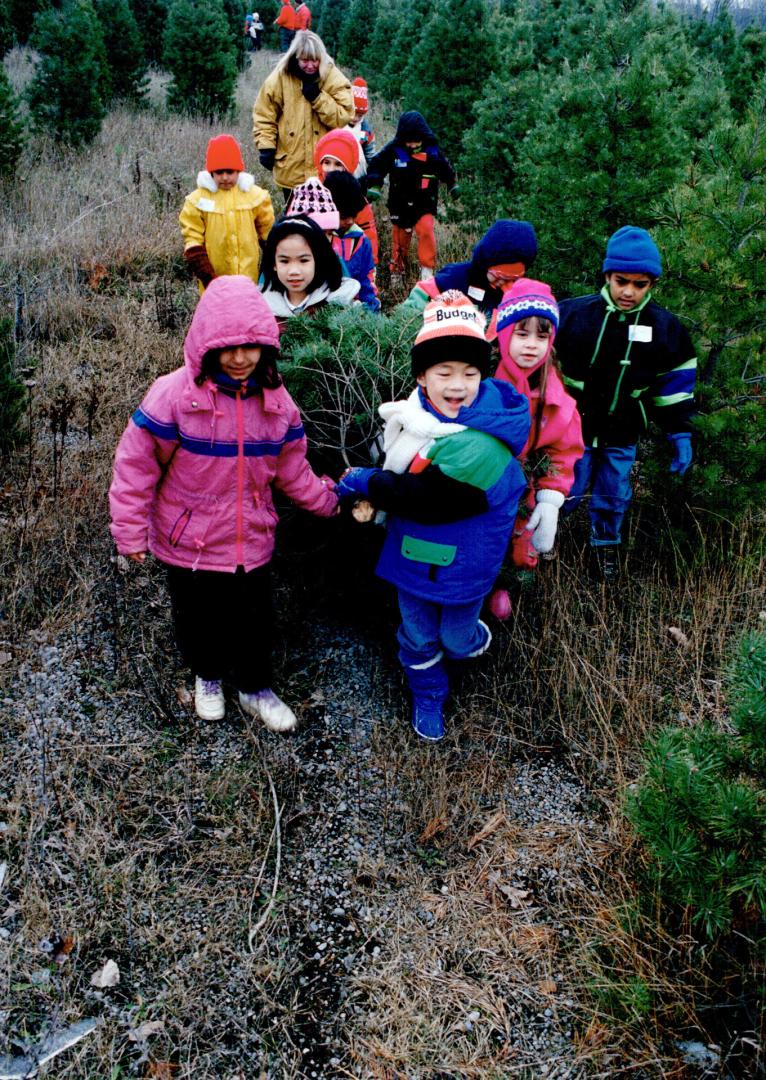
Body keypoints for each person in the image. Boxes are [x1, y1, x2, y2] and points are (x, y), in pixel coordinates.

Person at [108, 276, 338, 729]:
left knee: (256, 619)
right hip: (189, 541)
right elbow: (136, 466)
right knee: (198, 619)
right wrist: (129, 530)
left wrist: (327, 501)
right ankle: (207, 676)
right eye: (227, 347)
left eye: (250, 346)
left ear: (265, 345)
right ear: (204, 345)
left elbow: (292, 468)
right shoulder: (173, 396)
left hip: (250, 540)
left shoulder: (277, 402)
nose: (238, 358)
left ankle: (255, 687)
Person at [336, 291, 530, 741]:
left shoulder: (480, 445)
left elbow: (425, 499)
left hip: (464, 570)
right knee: (418, 635)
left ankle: (474, 640)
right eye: (444, 373)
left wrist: (364, 481)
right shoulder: (413, 418)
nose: (457, 385)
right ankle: (429, 695)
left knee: (456, 639)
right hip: (412, 560)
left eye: (470, 373)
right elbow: (402, 472)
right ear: (422, 376)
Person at [556, 226, 697, 581]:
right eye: (622, 281)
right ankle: (547, 541)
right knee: (566, 490)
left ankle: (605, 546)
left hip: (623, 432)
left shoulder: (665, 329)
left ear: (652, 284)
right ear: (607, 275)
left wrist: (680, 432)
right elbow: (538, 361)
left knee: (613, 493)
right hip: (575, 429)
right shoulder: (573, 315)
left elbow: (676, 384)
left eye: (640, 284)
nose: (629, 291)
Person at [488, 279, 584, 618]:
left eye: (541, 336)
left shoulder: (553, 394)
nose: (531, 345)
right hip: (481, 481)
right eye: (521, 333)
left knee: (519, 541)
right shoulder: (481, 379)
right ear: (503, 333)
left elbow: (564, 451)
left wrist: (550, 499)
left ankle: (506, 585)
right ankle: (478, 585)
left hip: (524, 486)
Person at [252, 31, 353, 198]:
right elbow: (264, 113)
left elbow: (343, 116)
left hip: (324, 168)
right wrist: (266, 146)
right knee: (294, 219)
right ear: (295, 57)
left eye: (315, 60)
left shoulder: (331, 76)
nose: (311, 65)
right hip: (292, 166)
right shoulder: (281, 77)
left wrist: (318, 99)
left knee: (323, 221)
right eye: (305, 60)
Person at [402, 219, 538, 341]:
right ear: (485, 263)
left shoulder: (515, 295)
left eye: (512, 279)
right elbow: (413, 307)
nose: (503, 282)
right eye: (499, 275)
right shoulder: (454, 278)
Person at [365, 111, 458, 281]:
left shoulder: (433, 152)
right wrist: (375, 183)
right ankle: (397, 272)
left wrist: (452, 184)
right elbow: (377, 165)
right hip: (399, 203)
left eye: (417, 140)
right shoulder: (394, 150)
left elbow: (445, 169)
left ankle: (427, 272)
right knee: (400, 238)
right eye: (409, 141)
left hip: (424, 202)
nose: (413, 144)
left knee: (426, 230)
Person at [179, 134, 275, 294]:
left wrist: (271, 268)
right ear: (211, 173)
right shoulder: (196, 200)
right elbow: (193, 240)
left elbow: (268, 234)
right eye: (219, 172)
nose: (225, 177)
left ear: (238, 170)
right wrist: (209, 278)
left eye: (230, 171)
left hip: (249, 279)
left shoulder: (255, 196)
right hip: (213, 282)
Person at [260, 214, 360, 326]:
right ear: (274, 263)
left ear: (317, 260)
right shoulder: (262, 309)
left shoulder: (339, 304)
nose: (294, 271)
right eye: (284, 261)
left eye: (303, 261)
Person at [313, 128, 378, 261]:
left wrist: (372, 263)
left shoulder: (354, 194)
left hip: (349, 259)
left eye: (338, 164)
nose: (331, 169)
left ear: (347, 166)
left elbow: (368, 233)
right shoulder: (313, 192)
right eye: (326, 163)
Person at [323, 171, 380, 312]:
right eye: (343, 216)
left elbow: (366, 281)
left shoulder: (361, 241)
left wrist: (371, 309)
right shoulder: (318, 239)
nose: (350, 221)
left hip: (353, 311)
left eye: (353, 215)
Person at [349, 77, 375, 165]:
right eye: (353, 113)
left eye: (360, 116)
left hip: (358, 170)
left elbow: (370, 154)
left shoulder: (365, 131)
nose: (355, 118)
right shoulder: (338, 124)